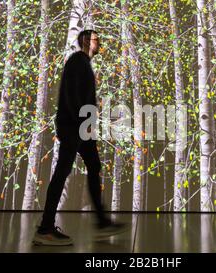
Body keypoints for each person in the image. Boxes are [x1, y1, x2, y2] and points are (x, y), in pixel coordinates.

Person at [33, 30, 129, 246]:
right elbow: (73, 95)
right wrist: (82, 123)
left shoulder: (83, 62)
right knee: (62, 172)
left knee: (93, 166)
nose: (100, 42)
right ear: (86, 41)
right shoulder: (78, 61)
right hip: (73, 126)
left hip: (81, 127)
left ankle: (102, 223)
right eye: (97, 39)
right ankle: (45, 228)